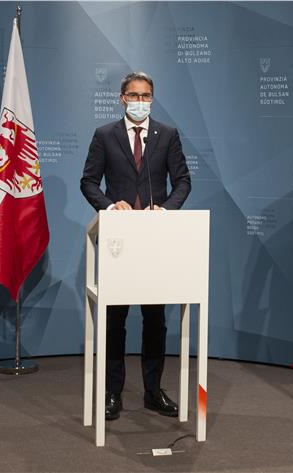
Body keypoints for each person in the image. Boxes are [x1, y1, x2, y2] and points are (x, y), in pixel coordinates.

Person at [80, 71, 191, 420]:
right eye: (134, 95)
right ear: (122, 97)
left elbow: (183, 181)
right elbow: (88, 182)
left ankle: (153, 391)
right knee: (116, 318)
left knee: (155, 319)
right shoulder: (105, 135)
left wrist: (166, 208)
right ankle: (112, 393)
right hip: (119, 241)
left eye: (146, 96)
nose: (140, 102)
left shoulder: (168, 135)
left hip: (155, 240)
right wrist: (111, 207)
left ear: (152, 99)